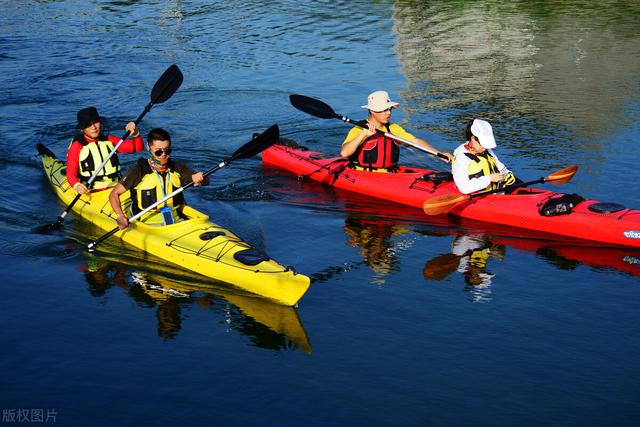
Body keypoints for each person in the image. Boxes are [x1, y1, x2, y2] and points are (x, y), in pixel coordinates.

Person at [109, 128, 209, 229]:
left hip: (176, 220)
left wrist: (202, 178)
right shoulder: (139, 170)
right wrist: (120, 216)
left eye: (167, 150)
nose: (163, 155)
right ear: (149, 148)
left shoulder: (177, 167)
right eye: (158, 152)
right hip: (146, 223)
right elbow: (114, 194)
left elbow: (206, 182)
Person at [340, 90, 453, 172]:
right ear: (372, 111)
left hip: (391, 173)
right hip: (364, 175)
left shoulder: (393, 128)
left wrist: (439, 154)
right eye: (384, 110)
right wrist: (363, 135)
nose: (389, 112)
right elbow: (344, 153)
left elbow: (415, 142)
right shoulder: (358, 129)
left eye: (389, 109)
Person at [66, 106, 144, 195]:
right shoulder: (77, 146)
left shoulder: (110, 141)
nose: (94, 127)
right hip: (91, 191)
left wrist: (135, 134)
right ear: (81, 128)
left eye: (95, 122)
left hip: (116, 188)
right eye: (88, 125)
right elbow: (70, 173)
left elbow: (137, 147)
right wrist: (77, 185)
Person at [451, 119, 518, 194]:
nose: (485, 148)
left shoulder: (486, 150)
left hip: (497, 194)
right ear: (473, 139)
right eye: (482, 144)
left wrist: (507, 174)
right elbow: (464, 188)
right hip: (479, 198)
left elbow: (501, 168)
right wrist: (489, 179)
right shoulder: (461, 158)